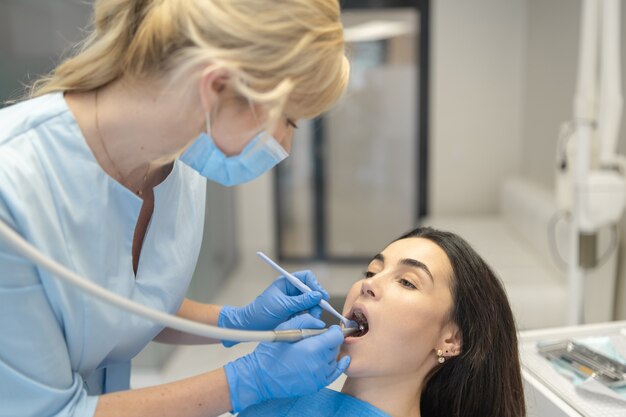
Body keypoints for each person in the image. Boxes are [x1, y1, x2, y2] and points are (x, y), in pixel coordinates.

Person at [0, 1, 351, 416]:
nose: (286, 148)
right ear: (216, 87)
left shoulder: (181, 165)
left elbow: (113, 306)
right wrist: (246, 381)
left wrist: (236, 321)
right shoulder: (14, 192)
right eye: (289, 120)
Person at [238, 226, 527, 417]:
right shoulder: (282, 400)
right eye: (371, 272)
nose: (369, 284)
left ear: (450, 340)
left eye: (407, 282)